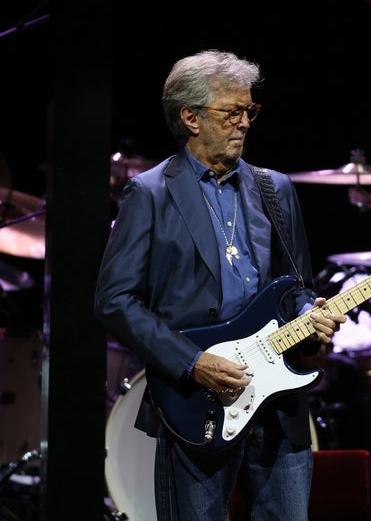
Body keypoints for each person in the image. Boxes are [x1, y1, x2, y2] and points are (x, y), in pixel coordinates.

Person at [94, 49, 347, 520]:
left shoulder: (276, 188)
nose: (245, 123)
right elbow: (114, 300)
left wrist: (311, 315)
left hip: (279, 400)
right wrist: (192, 362)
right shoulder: (150, 193)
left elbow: (296, 287)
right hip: (198, 403)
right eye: (232, 112)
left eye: (250, 111)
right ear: (190, 117)